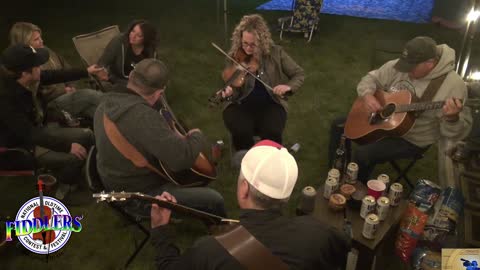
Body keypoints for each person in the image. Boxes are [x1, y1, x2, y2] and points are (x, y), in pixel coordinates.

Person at [150, 140, 350, 270]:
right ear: (286, 197)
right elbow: (343, 246)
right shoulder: (318, 232)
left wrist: (160, 230)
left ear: (244, 189)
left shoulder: (209, 251)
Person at [93, 58, 225, 218]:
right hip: (135, 195)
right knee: (214, 199)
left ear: (132, 77)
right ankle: (219, 228)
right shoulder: (144, 118)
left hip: (112, 181)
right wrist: (196, 135)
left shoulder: (106, 102)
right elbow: (182, 159)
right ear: (159, 92)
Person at [329, 36, 472, 182]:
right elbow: (371, 79)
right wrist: (367, 96)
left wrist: (452, 119)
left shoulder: (454, 87)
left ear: (430, 63)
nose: (407, 70)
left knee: (363, 154)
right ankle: (335, 171)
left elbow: (455, 134)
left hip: (412, 139)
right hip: (382, 120)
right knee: (338, 124)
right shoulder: (401, 65)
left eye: (412, 67)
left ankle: (354, 189)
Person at [0, 44, 105, 195]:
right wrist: (68, 146)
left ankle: (91, 173)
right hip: (25, 146)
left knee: (87, 135)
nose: (41, 68)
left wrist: (85, 71)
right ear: (24, 73)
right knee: (74, 156)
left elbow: (54, 75)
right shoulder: (6, 99)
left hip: (39, 129)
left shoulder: (26, 79)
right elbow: (29, 134)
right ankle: (64, 188)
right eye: (37, 66)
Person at [218, 14, 304, 161]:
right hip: (240, 104)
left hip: (271, 103)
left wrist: (287, 87)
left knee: (272, 131)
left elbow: (298, 74)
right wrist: (229, 92)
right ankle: (245, 162)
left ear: (262, 42)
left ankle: (270, 163)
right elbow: (232, 87)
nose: (248, 49)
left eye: (253, 45)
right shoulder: (234, 55)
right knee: (241, 130)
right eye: (244, 43)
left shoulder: (276, 53)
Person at [9, 22, 104, 121]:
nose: (42, 41)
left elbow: (64, 71)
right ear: (24, 42)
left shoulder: (46, 51)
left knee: (94, 110)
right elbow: (38, 91)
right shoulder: (25, 65)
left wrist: (71, 85)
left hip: (67, 95)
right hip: (50, 104)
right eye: (36, 39)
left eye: (40, 37)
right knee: (89, 96)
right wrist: (63, 91)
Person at [98, 19, 158, 87]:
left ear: (146, 39)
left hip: (141, 82)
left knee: (157, 90)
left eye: (139, 35)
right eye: (133, 31)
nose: (133, 36)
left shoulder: (150, 49)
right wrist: (102, 72)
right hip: (119, 81)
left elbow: (151, 70)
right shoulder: (119, 41)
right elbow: (102, 63)